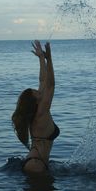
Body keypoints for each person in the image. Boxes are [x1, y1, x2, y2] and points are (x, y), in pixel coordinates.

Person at [12, 40, 60, 175]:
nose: (40, 90)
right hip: (36, 164)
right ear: (34, 101)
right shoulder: (41, 112)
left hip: (36, 161)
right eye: (37, 92)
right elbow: (50, 85)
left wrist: (40, 58)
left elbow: (43, 80)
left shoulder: (36, 110)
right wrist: (49, 59)